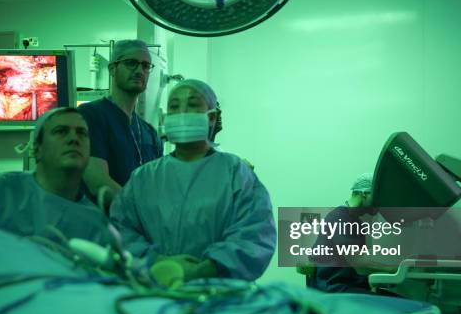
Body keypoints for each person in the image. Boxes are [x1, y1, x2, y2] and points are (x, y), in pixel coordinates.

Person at [110, 79, 275, 281]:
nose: (182, 112)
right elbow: (121, 230)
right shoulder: (144, 178)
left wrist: (206, 269)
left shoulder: (235, 174)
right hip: (156, 287)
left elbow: (254, 234)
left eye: (192, 105)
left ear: (212, 117)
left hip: (218, 292)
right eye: (174, 107)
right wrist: (158, 262)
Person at [0, 108, 113, 245]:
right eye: (61, 131)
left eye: (82, 133)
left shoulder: (96, 225)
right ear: (37, 149)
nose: (74, 138)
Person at [78, 39, 163, 207]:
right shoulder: (91, 116)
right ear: (112, 69)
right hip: (99, 225)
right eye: (131, 63)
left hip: (139, 228)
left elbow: (155, 186)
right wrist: (141, 214)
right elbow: (98, 183)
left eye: (146, 66)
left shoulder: (150, 133)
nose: (139, 70)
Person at [307, 173, 374, 293]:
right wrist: (393, 269)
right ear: (364, 194)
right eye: (376, 197)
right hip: (334, 288)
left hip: (348, 284)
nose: (378, 204)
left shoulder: (357, 223)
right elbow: (360, 262)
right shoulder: (339, 218)